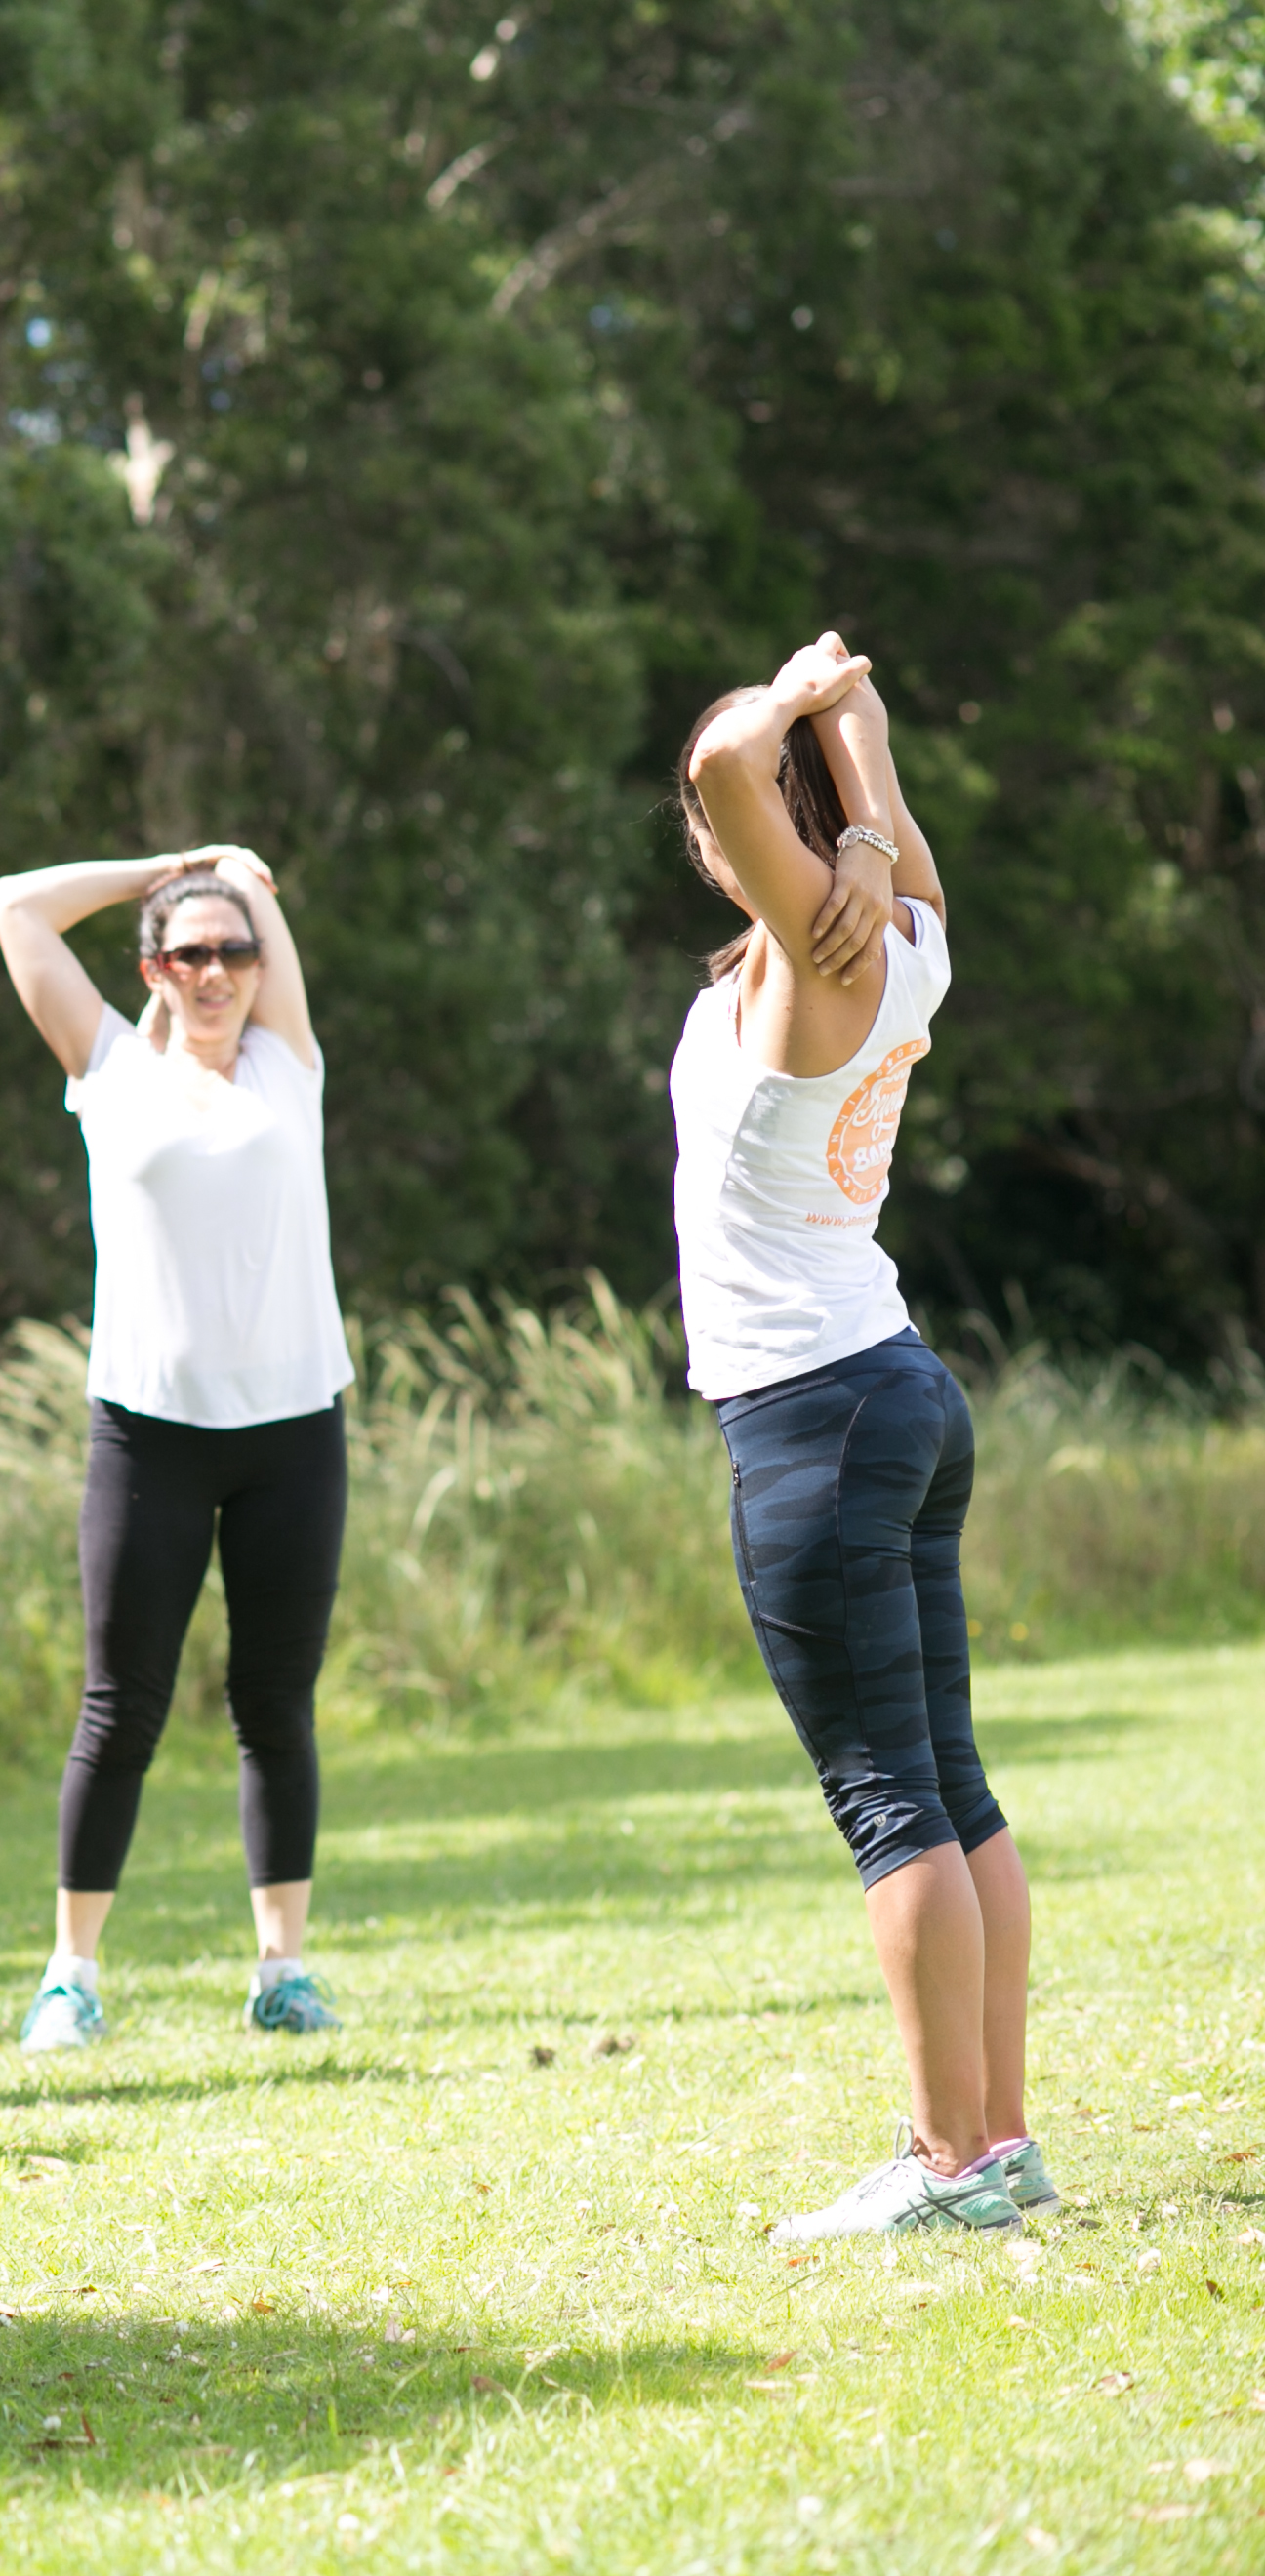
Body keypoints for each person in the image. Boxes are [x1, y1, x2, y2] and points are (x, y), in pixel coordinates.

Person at [672, 631, 1038, 2241]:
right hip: (896, 1388)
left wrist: (799, 699)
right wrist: (859, 748)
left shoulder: (814, 957)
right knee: (948, 1784)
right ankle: (995, 2141)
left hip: (813, 1415)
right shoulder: (898, 933)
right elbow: (811, 790)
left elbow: (716, 763)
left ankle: (952, 2164)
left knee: (893, 1800)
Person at [0, 841, 353, 2052]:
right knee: (119, 1709)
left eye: (234, 950)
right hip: (149, 1438)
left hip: (293, 1431)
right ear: (152, 967)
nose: (216, 971)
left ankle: (283, 1971)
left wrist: (244, 881)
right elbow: (18, 905)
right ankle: (70, 1977)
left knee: (276, 1706)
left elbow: (265, 922)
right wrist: (178, 864)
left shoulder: (288, 1063)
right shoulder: (109, 1068)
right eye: (191, 952)